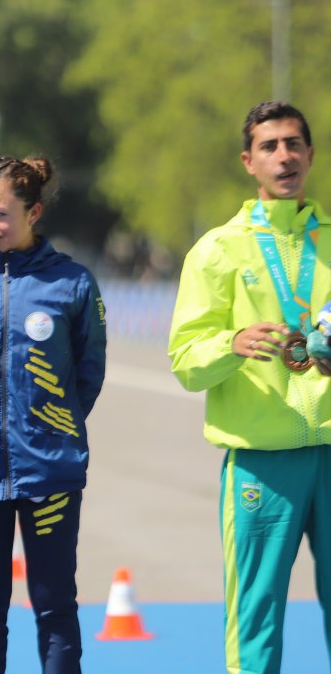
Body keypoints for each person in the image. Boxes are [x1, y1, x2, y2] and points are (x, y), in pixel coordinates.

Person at [169, 100, 331, 673]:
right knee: (257, 615)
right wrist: (231, 344)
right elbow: (187, 361)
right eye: (270, 146)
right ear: (248, 161)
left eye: (293, 145)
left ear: (310, 155)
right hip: (262, 462)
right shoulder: (218, 250)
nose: (283, 156)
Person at [0, 156, 107, 674]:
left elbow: (88, 374)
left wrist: (51, 427)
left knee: (55, 606)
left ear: (34, 211)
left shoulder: (73, 283)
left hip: (51, 473)